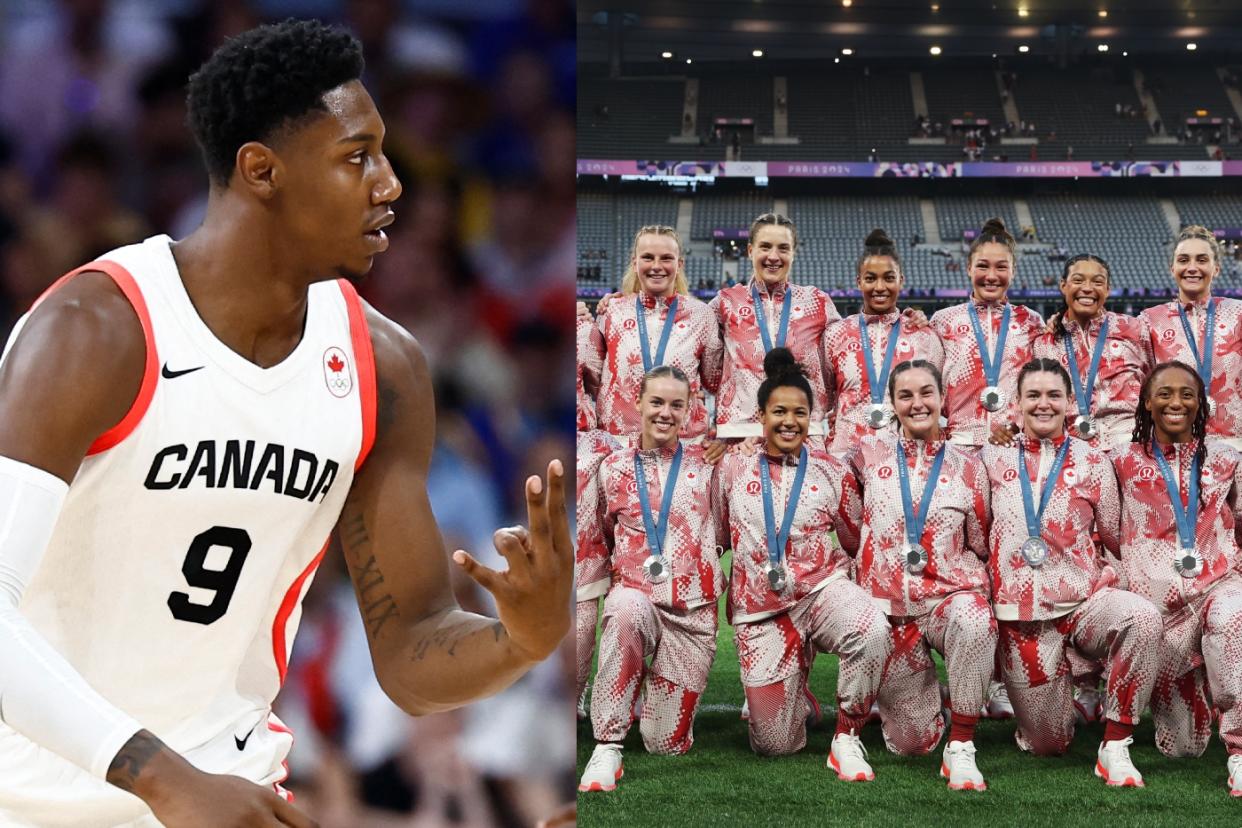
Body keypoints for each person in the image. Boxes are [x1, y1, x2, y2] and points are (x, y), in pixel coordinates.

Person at [0, 21, 571, 827]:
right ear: (261, 170)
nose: (391, 184)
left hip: (231, 794)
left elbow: (410, 653)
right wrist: (162, 778)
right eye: (357, 156)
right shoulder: (96, 331)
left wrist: (519, 639)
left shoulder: (384, 366)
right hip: (36, 800)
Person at [714, 348, 890, 778]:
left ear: (812, 417)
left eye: (800, 412)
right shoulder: (732, 467)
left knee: (872, 628)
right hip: (761, 608)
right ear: (760, 415)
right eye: (779, 411)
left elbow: (852, 541)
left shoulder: (831, 470)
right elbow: (717, 534)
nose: (789, 421)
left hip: (820, 591)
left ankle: (846, 737)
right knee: (775, 746)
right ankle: (801, 695)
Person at [983, 359, 1161, 785]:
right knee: (1049, 744)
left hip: (1083, 602)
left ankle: (1115, 744)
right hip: (1022, 617)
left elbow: (1116, 535)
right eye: (1033, 396)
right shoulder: (990, 457)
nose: (1043, 404)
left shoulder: (1093, 459)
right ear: (1017, 403)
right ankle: (1060, 699)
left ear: (1069, 403)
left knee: (1141, 618)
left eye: (1053, 396)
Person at [844, 360, 994, 790]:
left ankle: (962, 745)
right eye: (905, 395)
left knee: (975, 617)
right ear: (892, 403)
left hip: (948, 599)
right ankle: (929, 703)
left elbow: (980, 541)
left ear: (943, 396)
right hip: (891, 610)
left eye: (926, 392)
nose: (917, 403)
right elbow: (850, 527)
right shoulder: (866, 455)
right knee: (912, 744)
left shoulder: (969, 464)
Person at [578, 366, 722, 792]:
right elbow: (601, 536)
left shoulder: (710, 465)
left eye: (676, 405)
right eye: (656, 402)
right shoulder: (612, 469)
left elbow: (731, 528)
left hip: (692, 616)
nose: (665, 413)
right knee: (624, 608)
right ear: (637, 403)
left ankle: (652, 693)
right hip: (637, 599)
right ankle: (607, 746)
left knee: (666, 744)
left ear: (689, 409)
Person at [1112, 361, 1242, 791]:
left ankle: (1240, 753)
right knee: (1183, 746)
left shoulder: (1226, 459)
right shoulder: (1120, 461)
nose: (1176, 402)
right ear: (1147, 403)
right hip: (1160, 612)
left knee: (1231, 620)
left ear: (1200, 402)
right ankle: (1206, 685)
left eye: (1187, 394)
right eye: (1164, 393)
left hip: (1218, 588)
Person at [582, 226, 722, 441]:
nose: (657, 266)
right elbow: (591, 380)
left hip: (682, 446)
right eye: (648, 257)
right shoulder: (611, 312)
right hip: (619, 445)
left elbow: (714, 381)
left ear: (680, 264)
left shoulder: (701, 316)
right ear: (635, 262)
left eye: (666, 258)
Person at [710, 214, 840, 444]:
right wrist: (628, 302)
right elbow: (687, 337)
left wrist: (910, 323)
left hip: (803, 435)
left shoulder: (817, 302)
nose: (773, 256)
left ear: (793, 252)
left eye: (783, 248)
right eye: (765, 247)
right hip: (740, 435)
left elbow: (848, 355)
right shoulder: (726, 302)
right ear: (750, 250)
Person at [824, 229, 944, 457]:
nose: (879, 287)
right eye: (870, 279)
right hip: (845, 458)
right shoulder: (836, 334)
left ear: (901, 280)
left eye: (889, 278)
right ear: (858, 281)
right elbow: (822, 400)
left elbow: (938, 399)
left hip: (904, 458)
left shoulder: (923, 336)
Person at [931, 218, 1045, 453]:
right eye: (982, 266)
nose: (991, 276)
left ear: (1013, 271)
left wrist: (1017, 426)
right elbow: (928, 387)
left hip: (1014, 447)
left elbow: (1042, 386)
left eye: (1001, 267)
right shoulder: (943, 321)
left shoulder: (1032, 322)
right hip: (959, 447)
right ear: (968, 268)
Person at [1030, 255, 1153, 451]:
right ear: (1063, 285)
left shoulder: (1134, 329)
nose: (1087, 288)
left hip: (1132, 446)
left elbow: (1156, 380)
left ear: (1107, 289)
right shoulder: (1044, 344)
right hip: (1071, 452)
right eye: (1078, 280)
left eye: (1097, 282)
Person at [1139, 225, 1242, 450]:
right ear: (1172, 268)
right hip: (1175, 448)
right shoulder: (1150, 320)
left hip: (1235, 446)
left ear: (1216, 268)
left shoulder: (1238, 314)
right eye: (1184, 260)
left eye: (1202, 260)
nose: (1192, 268)